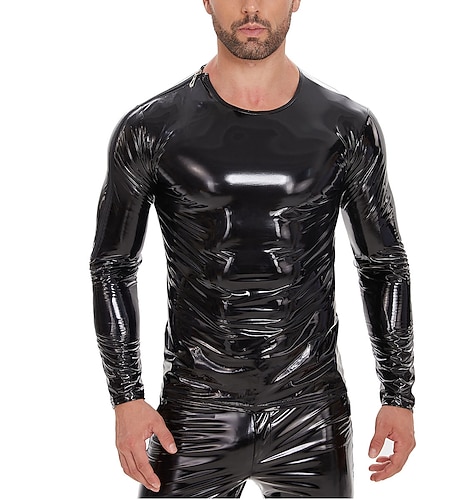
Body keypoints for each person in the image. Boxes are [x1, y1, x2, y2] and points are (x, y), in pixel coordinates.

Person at [90, 1, 416, 497]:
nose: (251, 7)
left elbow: (383, 264)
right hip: (196, 409)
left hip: (310, 412)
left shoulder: (347, 127)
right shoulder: (152, 129)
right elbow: (113, 266)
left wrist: (398, 395)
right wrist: (126, 398)